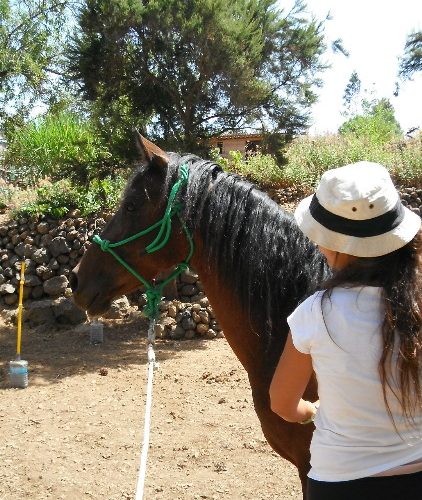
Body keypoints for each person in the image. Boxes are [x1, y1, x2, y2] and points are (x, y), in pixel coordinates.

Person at [269, 161, 422, 500]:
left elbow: (281, 403)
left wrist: (311, 411)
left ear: (335, 245)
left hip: (341, 482)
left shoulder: (315, 313)